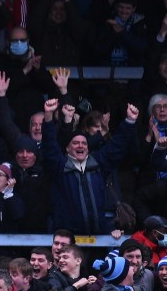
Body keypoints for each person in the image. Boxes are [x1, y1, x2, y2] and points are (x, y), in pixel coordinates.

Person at [40, 98, 140, 234]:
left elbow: (117, 146)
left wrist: (129, 121)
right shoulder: (60, 166)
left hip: (97, 235)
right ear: (67, 149)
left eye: (84, 143)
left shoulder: (98, 164)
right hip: (68, 239)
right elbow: (49, 145)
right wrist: (48, 116)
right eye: (75, 143)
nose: (80, 145)